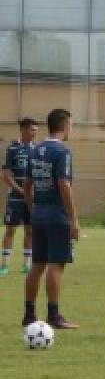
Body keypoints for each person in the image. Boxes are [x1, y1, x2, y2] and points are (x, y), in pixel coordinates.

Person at [21, 109, 79, 330]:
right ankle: (54, 315)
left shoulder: (35, 150)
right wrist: (74, 220)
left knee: (37, 264)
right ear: (64, 125)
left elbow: (27, 184)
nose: (71, 129)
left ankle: (29, 314)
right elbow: (64, 184)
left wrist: (32, 207)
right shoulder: (62, 151)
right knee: (56, 265)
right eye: (71, 125)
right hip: (57, 216)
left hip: (39, 215)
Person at [1, 117, 37, 276]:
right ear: (23, 130)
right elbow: (6, 175)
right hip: (16, 198)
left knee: (30, 230)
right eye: (32, 130)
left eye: (36, 130)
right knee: (10, 230)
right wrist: (21, 190)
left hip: (31, 198)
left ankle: (26, 265)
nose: (34, 133)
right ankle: (4, 265)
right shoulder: (12, 149)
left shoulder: (36, 150)